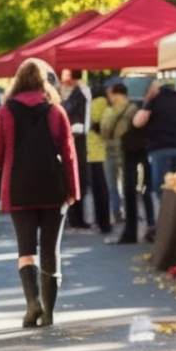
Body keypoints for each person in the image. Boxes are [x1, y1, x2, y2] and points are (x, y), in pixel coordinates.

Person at [0, 58, 78, 328]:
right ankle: (49, 313)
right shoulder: (56, 111)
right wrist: (72, 189)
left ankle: (32, 303)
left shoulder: (6, 112)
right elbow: (68, 153)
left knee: (26, 249)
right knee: (50, 249)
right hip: (52, 187)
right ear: (44, 81)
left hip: (18, 186)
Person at [132, 78, 176, 241]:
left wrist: (147, 102)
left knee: (163, 191)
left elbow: (138, 122)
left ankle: (166, 228)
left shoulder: (154, 100)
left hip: (161, 149)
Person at [105, 83, 154, 244]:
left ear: (115, 93)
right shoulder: (135, 108)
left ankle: (127, 225)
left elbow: (105, 130)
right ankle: (150, 226)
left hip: (123, 151)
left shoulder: (112, 110)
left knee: (126, 189)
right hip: (137, 151)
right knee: (142, 190)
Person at [60, 69, 93, 230]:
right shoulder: (83, 92)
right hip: (79, 138)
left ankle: (75, 217)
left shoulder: (77, 94)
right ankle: (76, 217)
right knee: (79, 178)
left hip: (75, 138)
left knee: (76, 177)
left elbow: (69, 113)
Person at [100, 82, 129, 227]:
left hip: (110, 151)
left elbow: (103, 132)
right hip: (126, 151)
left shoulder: (109, 112)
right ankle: (129, 212)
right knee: (127, 184)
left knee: (112, 185)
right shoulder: (132, 109)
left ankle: (117, 212)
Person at [85, 85, 112, 234]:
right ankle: (103, 222)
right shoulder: (102, 102)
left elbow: (98, 125)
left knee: (99, 190)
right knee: (101, 189)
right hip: (99, 151)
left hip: (95, 151)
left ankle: (103, 223)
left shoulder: (98, 102)